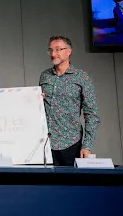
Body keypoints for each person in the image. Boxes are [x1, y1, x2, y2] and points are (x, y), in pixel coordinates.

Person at [39, 36, 100, 166]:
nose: (53, 54)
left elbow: (91, 114)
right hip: (45, 145)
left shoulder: (82, 77)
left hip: (71, 143)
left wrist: (87, 145)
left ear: (69, 51)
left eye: (58, 49)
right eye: (51, 50)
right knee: (47, 185)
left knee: (72, 184)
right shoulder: (45, 76)